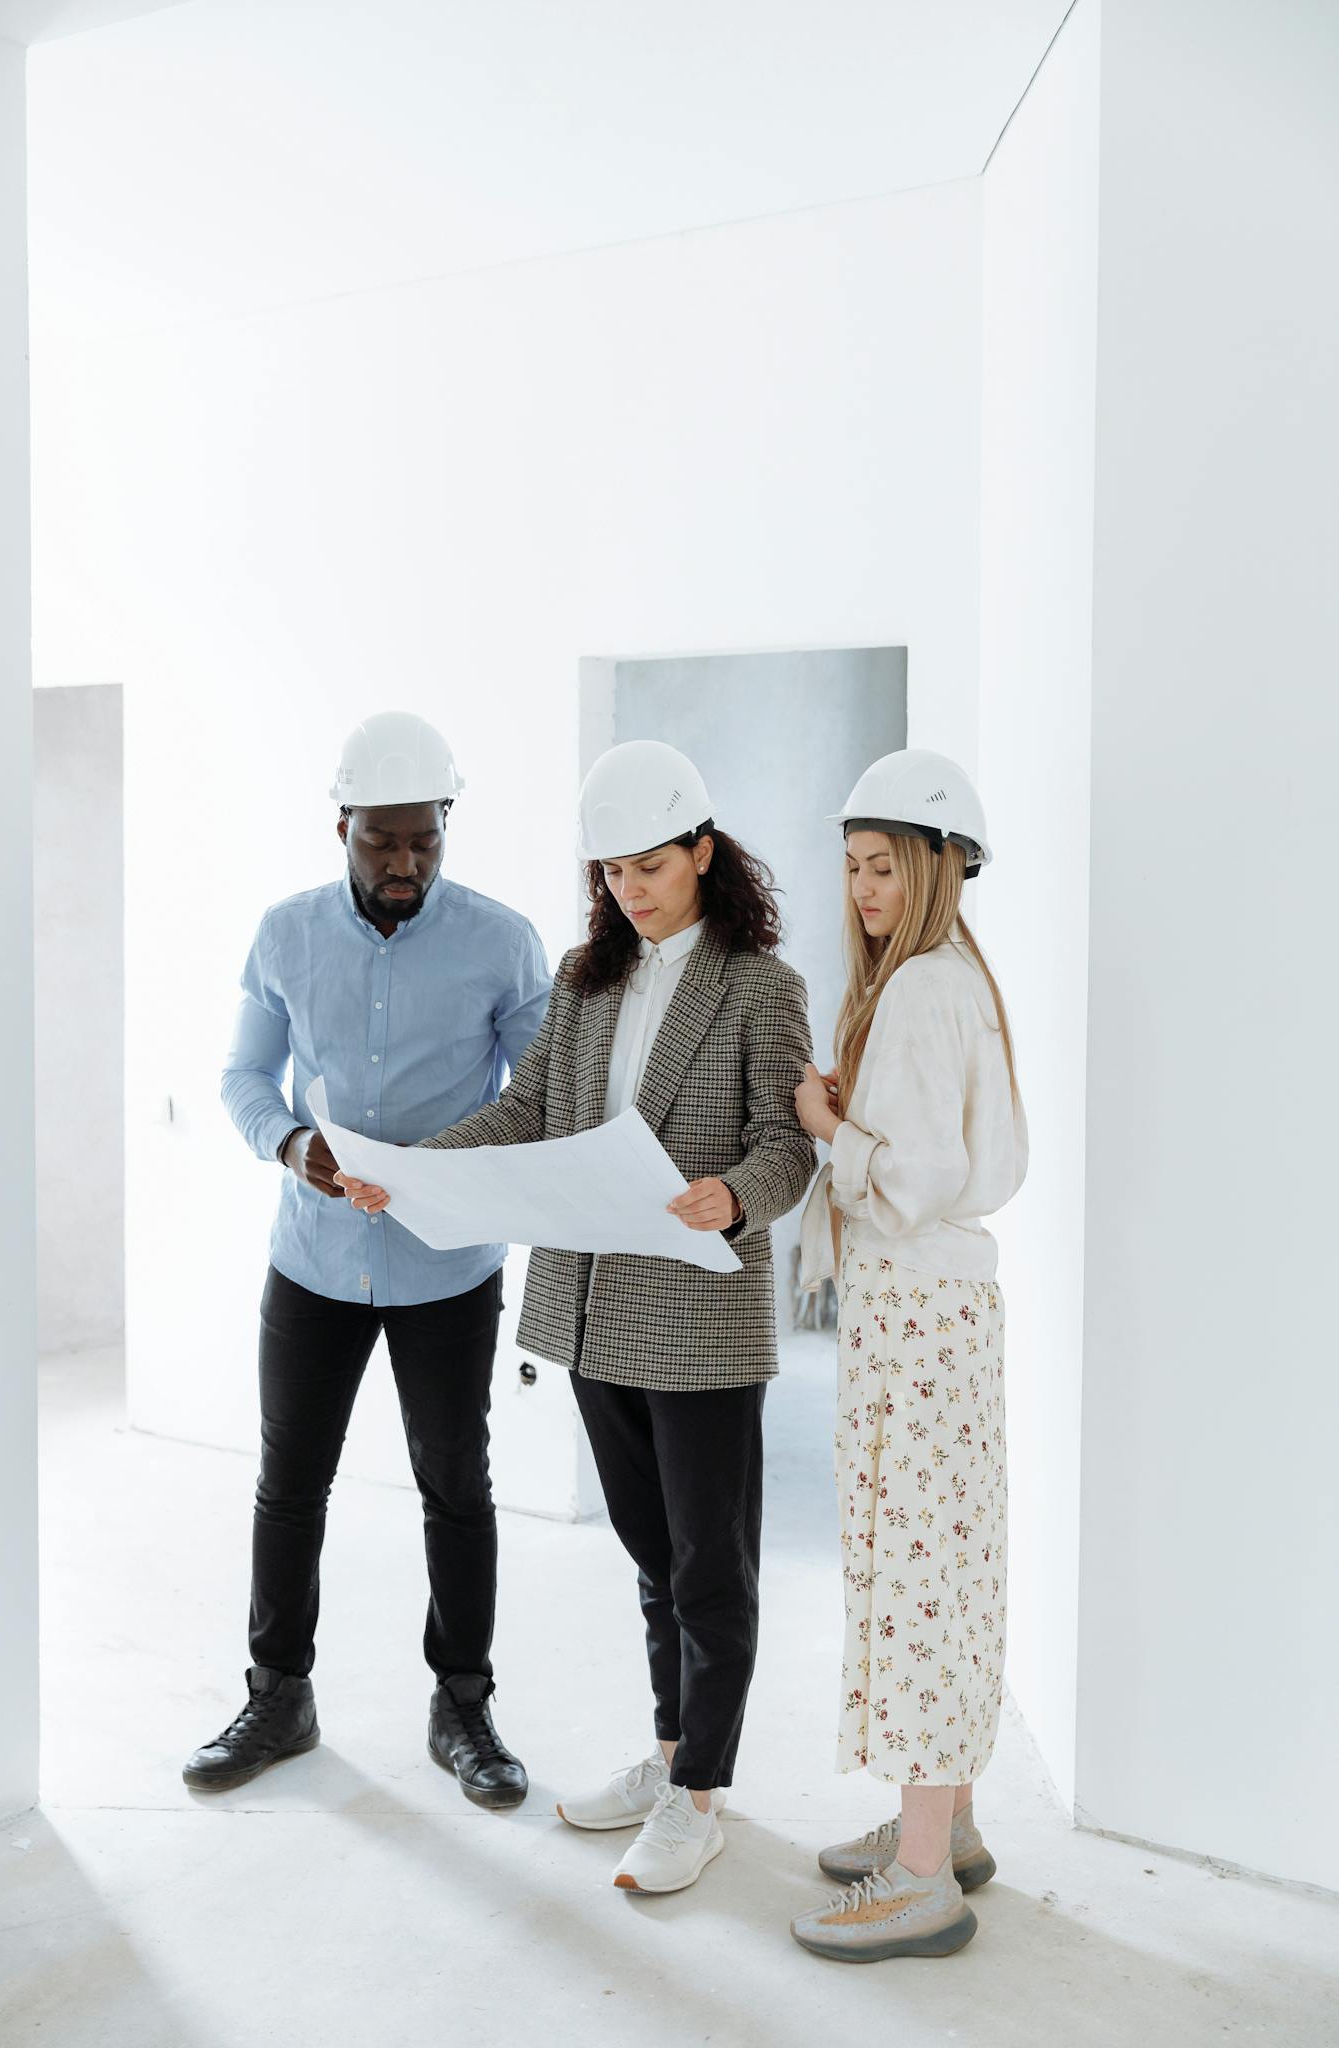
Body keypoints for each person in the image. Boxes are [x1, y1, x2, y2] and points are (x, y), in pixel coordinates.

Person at [339, 740, 816, 1894]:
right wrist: (408, 1167)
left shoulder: (763, 986)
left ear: (705, 852)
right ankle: (670, 1755)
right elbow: (528, 1115)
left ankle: (701, 1794)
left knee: (712, 1567)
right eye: (611, 871)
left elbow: (789, 1144)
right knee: (653, 1558)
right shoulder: (586, 978)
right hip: (597, 1312)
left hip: (700, 1310)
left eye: (652, 865)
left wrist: (737, 1193)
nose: (631, 890)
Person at [183, 712, 550, 1809]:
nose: (404, 865)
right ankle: (278, 1694)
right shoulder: (284, 934)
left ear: (446, 825)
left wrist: (450, 1163)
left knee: (456, 1485)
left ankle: (465, 1705)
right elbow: (245, 1079)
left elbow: (534, 1099)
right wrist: (293, 1145)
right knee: (290, 1480)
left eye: (424, 842)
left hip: (448, 1266)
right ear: (339, 824)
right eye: (380, 841)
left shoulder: (502, 940)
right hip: (314, 1260)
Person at [789, 748, 1027, 1963]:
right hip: (938, 1315)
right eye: (852, 866)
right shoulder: (947, 980)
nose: (863, 888)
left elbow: (915, 1178)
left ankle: (925, 1876)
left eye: (884, 865)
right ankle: (952, 1823)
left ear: (938, 868)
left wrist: (830, 1125)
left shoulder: (926, 987)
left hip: (919, 1312)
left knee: (919, 1571)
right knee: (945, 1562)